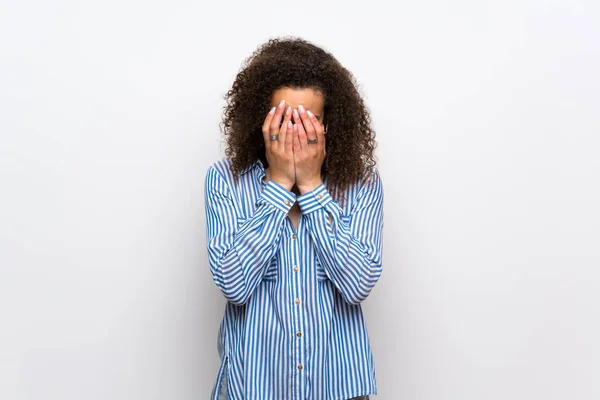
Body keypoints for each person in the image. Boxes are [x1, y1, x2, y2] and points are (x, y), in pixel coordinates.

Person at [204, 36, 384, 400]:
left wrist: (314, 185)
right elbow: (234, 286)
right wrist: (281, 182)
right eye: (285, 119)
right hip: (251, 388)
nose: (296, 133)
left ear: (329, 124)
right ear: (261, 119)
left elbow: (358, 284)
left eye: (308, 121)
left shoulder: (362, 184)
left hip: (338, 389)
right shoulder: (225, 180)